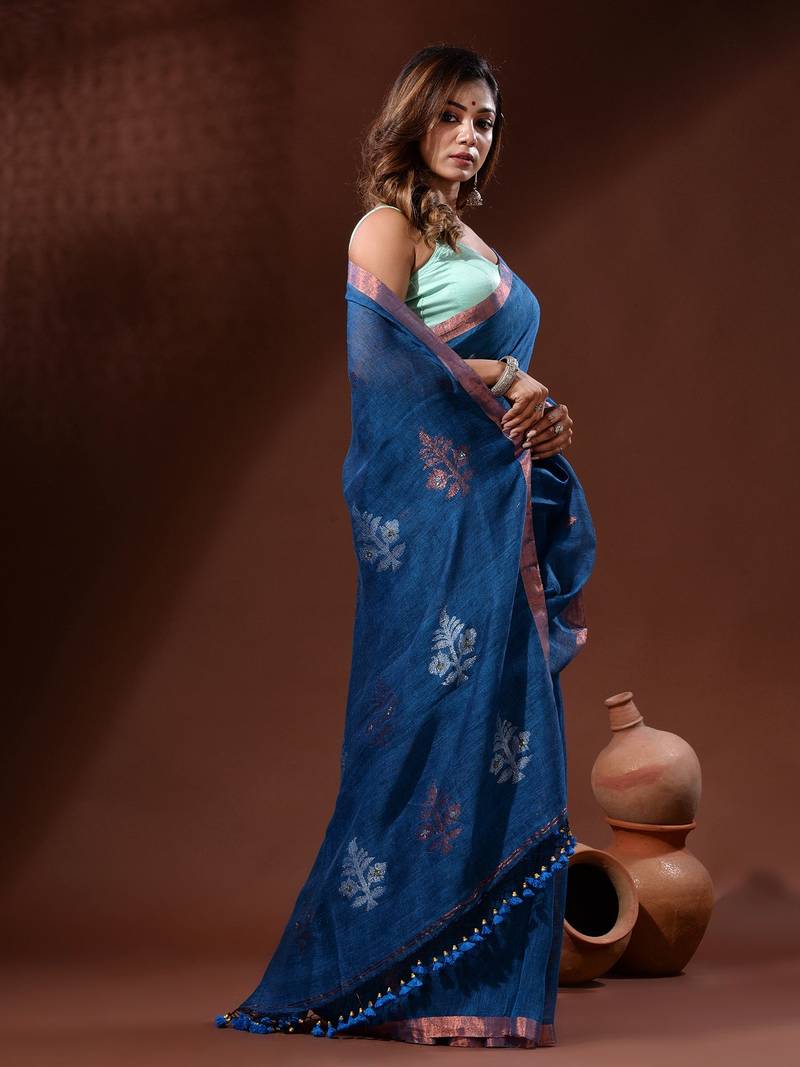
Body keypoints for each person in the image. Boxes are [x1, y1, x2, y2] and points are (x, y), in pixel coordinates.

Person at [215, 44, 596, 1049]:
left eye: (484, 120)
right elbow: (383, 372)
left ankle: (472, 981)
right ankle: (374, 970)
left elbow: (498, 380)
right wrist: (506, 383)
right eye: (451, 115)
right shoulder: (384, 226)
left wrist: (544, 412)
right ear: (412, 120)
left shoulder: (467, 235)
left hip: (497, 518)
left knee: (500, 729)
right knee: (419, 729)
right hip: (429, 527)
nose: (469, 135)